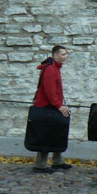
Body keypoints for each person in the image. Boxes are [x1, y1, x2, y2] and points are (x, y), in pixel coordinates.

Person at [32, 45, 72, 173]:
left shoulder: (55, 68)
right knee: (45, 135)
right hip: (46, 107)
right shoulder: (50, 69)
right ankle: (40, 164)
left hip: (52, 106)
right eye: (63, 54)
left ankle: (57, 160)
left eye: (66, 54)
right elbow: (50, 90)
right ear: (55, 55)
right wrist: (59, 105)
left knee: (56, 133)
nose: (65, 56)